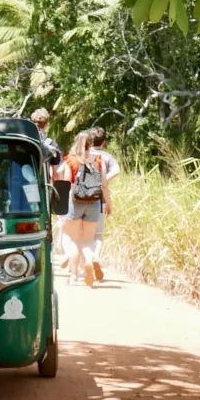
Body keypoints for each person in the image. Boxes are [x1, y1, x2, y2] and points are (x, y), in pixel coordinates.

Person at [62, 130, 109, 287]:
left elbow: (66, 183)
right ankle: (89, 261)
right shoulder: (98, 160)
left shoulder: (71, 160)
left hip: (75, 201)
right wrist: (108, 203)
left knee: (75, 240)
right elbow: (103, 184)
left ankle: (74, 276)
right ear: (91, 143)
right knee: (88, 240)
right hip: (94, 202)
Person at [31, 108, 71, 264]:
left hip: (23, 188)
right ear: (46, 124)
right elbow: (55, 173)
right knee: (45, 220)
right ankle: (46, 256)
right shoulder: (51, 144)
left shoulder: (25, 141)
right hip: (43, 187)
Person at [87, 126, 120, 282]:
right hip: (98, 199)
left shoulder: (82, 155)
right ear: (104, 142)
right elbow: (117, 170)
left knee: (83, 235)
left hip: (79, 199)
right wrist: (104, 180)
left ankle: (83, 263)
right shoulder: (106, 157)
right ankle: (95, 257)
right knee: (98, 235)